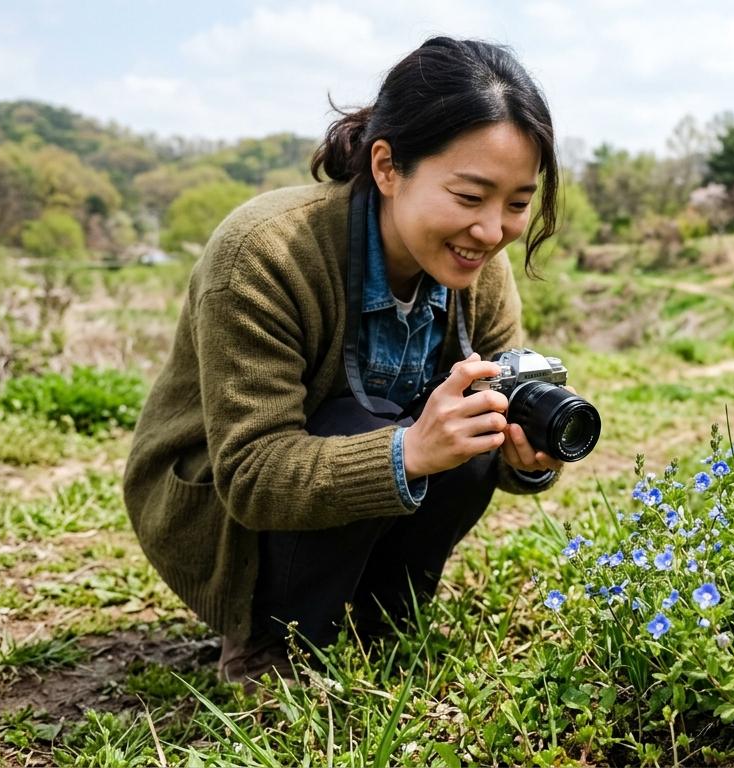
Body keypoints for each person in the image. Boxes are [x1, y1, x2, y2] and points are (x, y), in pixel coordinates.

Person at [122, 37, 566, 687]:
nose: (492, 229)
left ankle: (379, 620)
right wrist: (411, 449)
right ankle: (269, 641)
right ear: (387, 167)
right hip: (218, 505)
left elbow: (497, 423)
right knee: (379, 425)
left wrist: (526, 454)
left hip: (343, 469)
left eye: (518, 203)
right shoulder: (265, 253)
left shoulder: (480, 265)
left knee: (483, 413)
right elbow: (250, 470)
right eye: (470, 197)